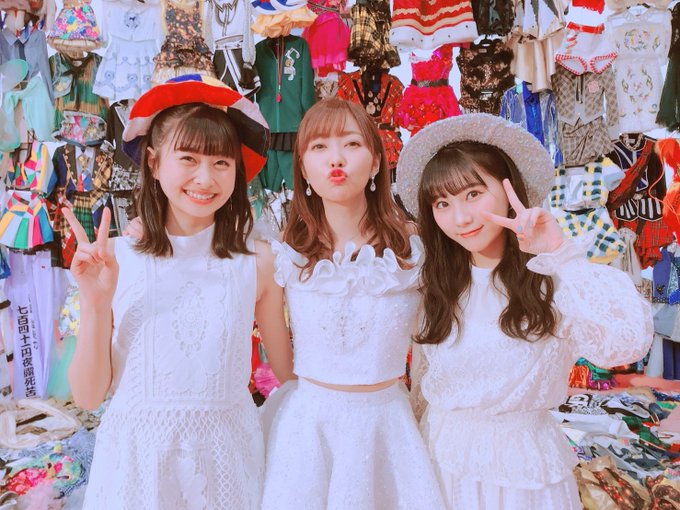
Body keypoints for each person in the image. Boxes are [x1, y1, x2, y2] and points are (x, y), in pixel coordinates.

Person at [396, 113, 653, 509]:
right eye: (442, 203)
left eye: (473, 194)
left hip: (523, 476)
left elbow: (625, 343)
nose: (460, 218)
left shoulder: (551, 278)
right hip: (442, 464)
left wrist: (560, 254)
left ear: (508, 190)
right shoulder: (437, 284)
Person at [64, 75, 292, 509]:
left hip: (227, 466)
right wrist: (95, 303)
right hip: (136, 470)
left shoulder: (259, 262)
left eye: (221, 162)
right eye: (188, 158)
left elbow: (289, 377)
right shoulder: (114, 260)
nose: (205, 178)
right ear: (153, 163)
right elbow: (90, 397)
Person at [259, 98, 445, 509]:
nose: (336, 159)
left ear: (376, 162)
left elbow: (434, 345)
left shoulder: (417, 247)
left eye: (351, 143)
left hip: (388, 431)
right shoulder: (283, 255)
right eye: (319, 147)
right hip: (308, 436)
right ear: (303, 167)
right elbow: (284, 368)